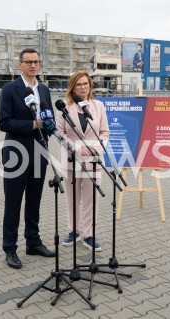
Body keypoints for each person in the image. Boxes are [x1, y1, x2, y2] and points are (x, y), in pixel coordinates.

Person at [0, 48, 56, 269]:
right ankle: (10, 248)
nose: (33, 65)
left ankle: (33, 242)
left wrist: (49, 127)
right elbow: (4, 123)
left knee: (34, 202)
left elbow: (48, 116)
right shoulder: (10, 90)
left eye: (36, 62)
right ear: (20, 65)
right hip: (16, 153)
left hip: (40, 152)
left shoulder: (43, 89)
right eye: (28, 62)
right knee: (13, 203)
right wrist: (34, 125)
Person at [55, 70, 109, 251]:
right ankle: (74, 230)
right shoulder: (64, 108)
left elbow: (104, 132)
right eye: (79, 84)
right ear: (72, 87)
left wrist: (96, 148)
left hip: (93, 159)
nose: (83, 87)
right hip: (72, 159)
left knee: (91, 199)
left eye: (86, 83)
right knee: (72, 198)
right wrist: (78, 148)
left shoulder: (99, 106)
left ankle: (89, 234)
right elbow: (60, 133)